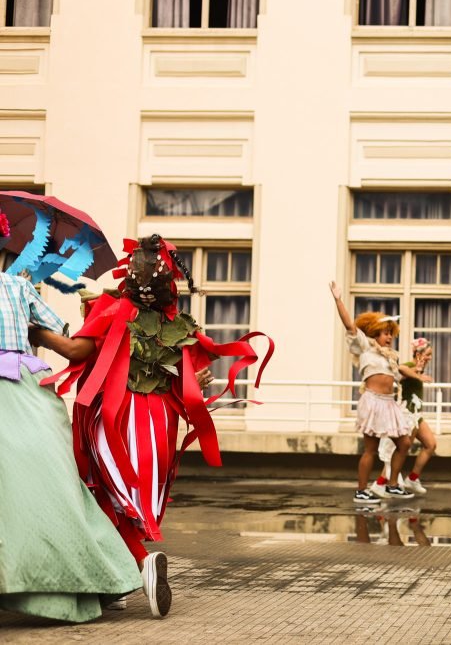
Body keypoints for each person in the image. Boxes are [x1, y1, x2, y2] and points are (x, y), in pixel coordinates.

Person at [33, 235, 273, 618]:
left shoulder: (112, 309)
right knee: (134, 500)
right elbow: (192, 374)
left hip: (117, 416)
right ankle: (117, 582)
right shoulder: (174, 320)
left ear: (131, 273)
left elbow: (78, 352)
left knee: (104, 491)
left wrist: (37, 331)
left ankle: (143, 562)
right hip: (161, 421)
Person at [0, 210, 142, 623]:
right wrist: (81, 321)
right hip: (23, 391)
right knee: (50, 488)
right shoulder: (17, 287)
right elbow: (75, 348)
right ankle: (76, 579)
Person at [329, 281, 419, 503]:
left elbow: (400, 372)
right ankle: (361, 490)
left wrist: (418, 372)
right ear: (374, 333)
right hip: (373, 402)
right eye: (385, 333)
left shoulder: (390, 356)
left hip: (389, 403)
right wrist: (338, 299)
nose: (389, 337)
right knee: (371, 448)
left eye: (391, 333)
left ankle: (392, 484)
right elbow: (349, 324)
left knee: (405, 443)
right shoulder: (365, 347)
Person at [379, 337, 438, 495]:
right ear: (418, 353)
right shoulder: (412, 365)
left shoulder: (418, 367)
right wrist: (418, 375)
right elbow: (401, 368)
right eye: (428, 354)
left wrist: (419, 372)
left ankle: (412, 479)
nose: (430, 358)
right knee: (401, 449)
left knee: (430, 444)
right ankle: (382, 482)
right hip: (407, 414)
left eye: (430, 355)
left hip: (416, 414)